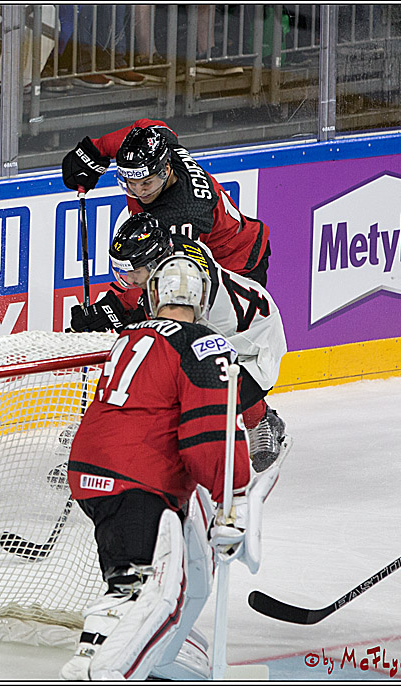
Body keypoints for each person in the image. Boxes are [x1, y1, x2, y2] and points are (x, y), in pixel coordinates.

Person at [61, 254, 273, 680]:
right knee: (142, 589)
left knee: (191, 568)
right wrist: (231, 500)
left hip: (92, 470)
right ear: (203, 298)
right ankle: (95, 667)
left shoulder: (131, 334)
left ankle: (166, 651)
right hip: (137, 479)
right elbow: (208, 432)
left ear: (154, 295)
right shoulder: (201, 341)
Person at [68, 212, 288, 472]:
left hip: (251, 342)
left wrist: (119, 321)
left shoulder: (183, 280)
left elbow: (167, 333)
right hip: (226, 327)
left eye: (132, 272)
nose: (127, 279)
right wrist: (105, 309)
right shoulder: (169, 252)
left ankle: (261, 421)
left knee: (178, 399)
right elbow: (138, 297)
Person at [61, 118, 272, 286]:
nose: (138, 191)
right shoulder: (161, 147)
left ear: (166, 170)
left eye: (146, 183)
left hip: (237, 267)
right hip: (211, 252)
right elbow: (149, 127)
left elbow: (165, 279)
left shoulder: (181, 216)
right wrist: (96, 150)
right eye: (130, 183)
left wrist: (114, 308)